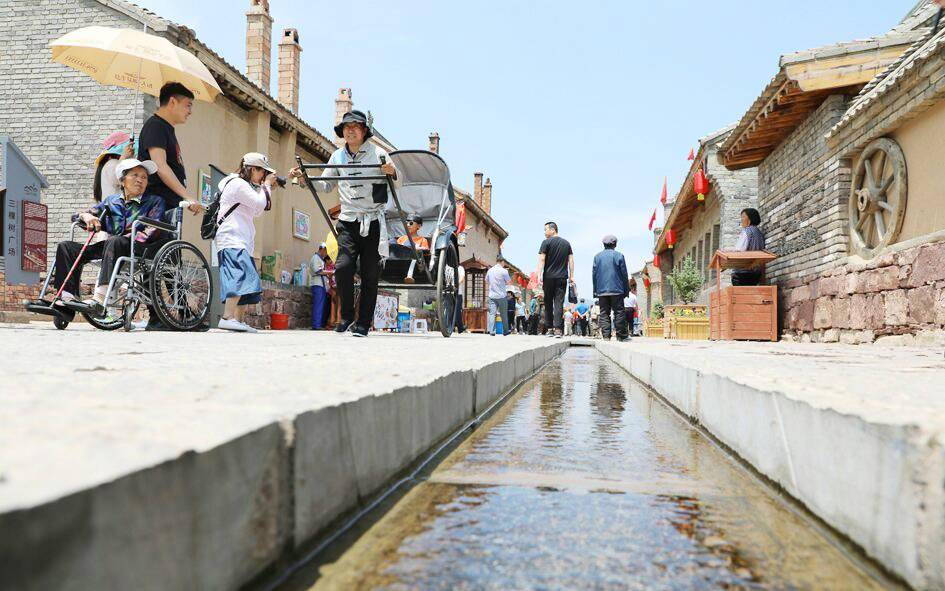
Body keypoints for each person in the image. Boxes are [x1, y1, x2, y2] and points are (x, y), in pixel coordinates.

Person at [290, 110, 397, 337]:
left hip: (373, 221)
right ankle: (347, 316)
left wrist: (392, 172)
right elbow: (326, 184)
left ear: (364, 131)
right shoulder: (337, 156)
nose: (350, 130)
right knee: (342, 267)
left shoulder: (379, 153)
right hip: (348, 221)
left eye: (355, 126)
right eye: (346, 127)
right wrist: (304, 179)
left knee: (370, 274)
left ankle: (363, 323)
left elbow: (398, 182)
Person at [52, 159, 165, 320]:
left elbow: (153, 230)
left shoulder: (155, 201)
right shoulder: (111, 202)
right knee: (66, 247)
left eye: (144, 177)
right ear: (122, 181)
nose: (140, 180)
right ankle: (67, 298)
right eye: (135, 175)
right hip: (112, 247)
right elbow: (77, 217)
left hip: (140, 247)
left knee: (116, 241)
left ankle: (99, 297)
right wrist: (87, 216)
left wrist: (130, 240)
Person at [137, 82, 204, 330]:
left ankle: (177, 314)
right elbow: (161, 166)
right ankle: (160, 315)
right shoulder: (155, 126)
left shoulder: (167, 129)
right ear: (172, 102)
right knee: (157, 259)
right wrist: (188, 196)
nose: (189, 111)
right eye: (187, 105)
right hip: (158, 202)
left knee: (167, 259)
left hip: (168, 202)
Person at [214, 153, 278, 332]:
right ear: (252, 169)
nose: (263, 176)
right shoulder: (237, 184)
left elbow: (257, 211)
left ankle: (237, 320)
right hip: (232, 237)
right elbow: (259, 204)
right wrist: (266, 186)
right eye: (262, 172)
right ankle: (227, 317)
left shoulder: (245, 186)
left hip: (242, 240)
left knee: (248, 281)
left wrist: (265, 188)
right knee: (239, 276)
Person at [536, 221, 573, 338]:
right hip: (562, 277)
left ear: (553, 230)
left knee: (548, 302)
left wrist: (539, 274)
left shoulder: (546, 243)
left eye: (545, 229)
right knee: (559, 302)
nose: (544, 232)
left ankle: (550, 329)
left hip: (548, 277)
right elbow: (571, 261)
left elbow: (542, 259)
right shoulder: (566, 243)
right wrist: (572, 276)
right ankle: (558, 330)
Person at [592, 234, 630, 341]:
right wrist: (626, 290)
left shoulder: (597, 257)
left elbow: (594, 275)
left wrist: (595, 291)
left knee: (604, 313)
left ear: (603, 244)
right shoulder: (619, 256)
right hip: (617, 290)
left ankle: (606, 336)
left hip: (602, 290)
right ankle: (621, 336)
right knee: (619, 312)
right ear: (615, 244)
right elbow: (624, 275)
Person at [93, 131, 134, 203]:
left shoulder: (111, 164)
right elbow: (119, 178)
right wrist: (124, 157)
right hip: (115, 208)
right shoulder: (112, 163)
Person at [732, 207, 766, 286]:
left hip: (742, 273)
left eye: (743, 217)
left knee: (740, 296)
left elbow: (739, 250)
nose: (741, 220)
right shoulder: (760, 233)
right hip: (756, 273)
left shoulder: (746, 232)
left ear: (750, 219)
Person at [397, 213, 430, 283]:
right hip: (401, 260)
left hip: (415, 261)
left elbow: (425, 250)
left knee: (416, 253)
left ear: (418, 226)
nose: (408, 225)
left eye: (411, 223)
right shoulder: (401, 238)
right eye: (406, 223)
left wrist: (417, 248)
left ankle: (409, 276)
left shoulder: (422, 239)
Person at [486, 256, 511, 336]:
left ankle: (492, 331)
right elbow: (509, 282)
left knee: (492, 314)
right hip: (502, 295)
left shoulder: (490, 270)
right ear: (502, 262)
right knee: (503, 314)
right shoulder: (504, 271)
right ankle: (505, 331)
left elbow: (486, 280)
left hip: (492, 295)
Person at [309, 242, 331, 330]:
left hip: (322, 285)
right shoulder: (315, 258)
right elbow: (318, 271)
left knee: (321, 305)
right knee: (318, 304)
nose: (326, 253)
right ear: (322, 249)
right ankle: (316, 325)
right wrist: (331, 272)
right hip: (317, 284)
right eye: (326, 251)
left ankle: (319, 324)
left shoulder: (320, 259)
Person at [453, 264, 466, 334]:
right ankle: (460, 328)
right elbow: (462, 278)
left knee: (451, 310)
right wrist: (456, 285)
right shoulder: (460, 268)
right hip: (458, 292)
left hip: (447, 292)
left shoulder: (446, 266)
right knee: (458, 310)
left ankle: (452, 326)